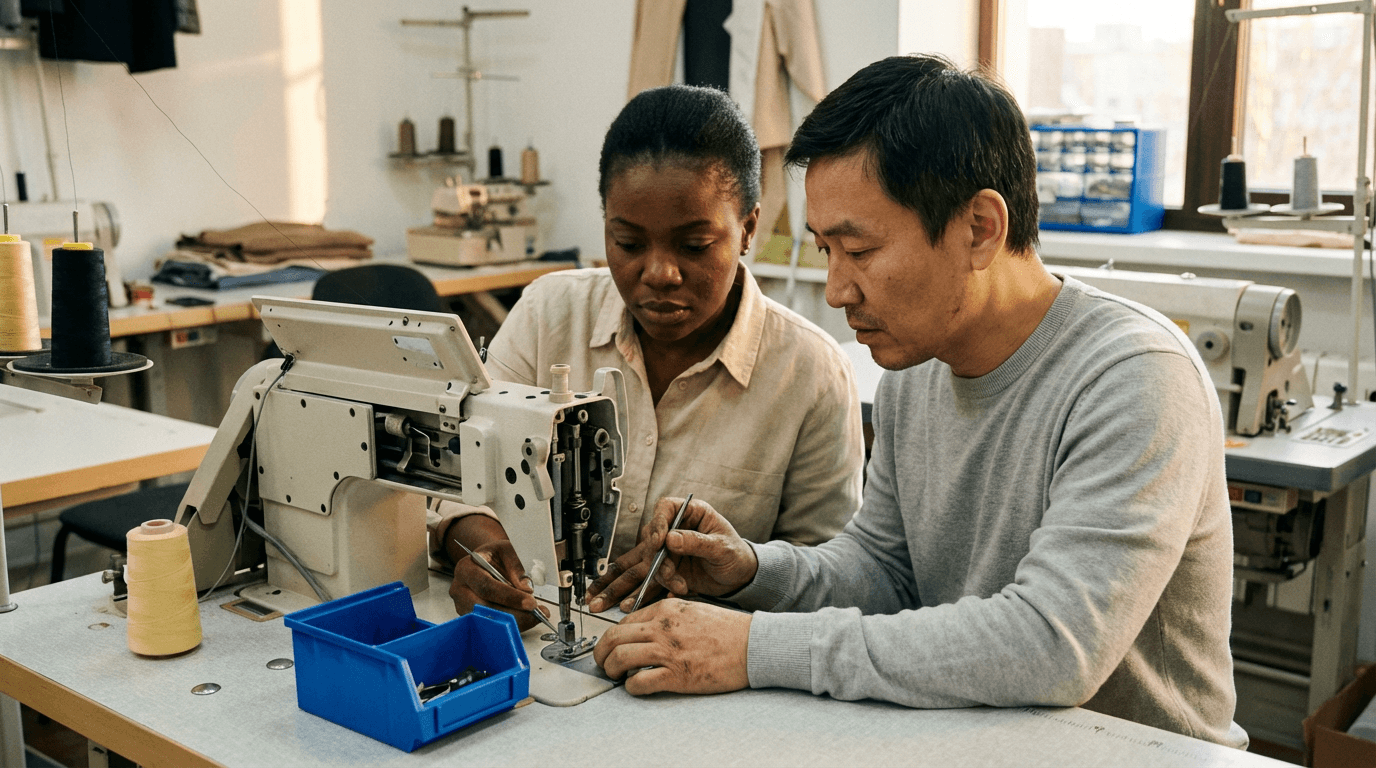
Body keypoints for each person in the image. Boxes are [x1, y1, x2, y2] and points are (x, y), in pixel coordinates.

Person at [593, 55, 1247, 749]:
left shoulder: (1133, 378)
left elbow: (1053, 645)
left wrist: (753, 646)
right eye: (825, 251)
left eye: (860, 250)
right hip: (980, 741)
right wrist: (755, 569)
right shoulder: (913, 369)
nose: (837, 289)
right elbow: (884, 571)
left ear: (979, 229)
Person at [427, 85, 865, 629]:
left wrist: (733, 574)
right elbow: (458, 475)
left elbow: (831, 574)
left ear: (748, 228)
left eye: (694, 246)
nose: (659, 273)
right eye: (629, 243)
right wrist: (484, 547)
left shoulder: (811, 374)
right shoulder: (549, 315)